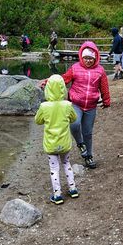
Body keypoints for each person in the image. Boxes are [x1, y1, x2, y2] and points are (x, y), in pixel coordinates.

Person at [61, 41, 111, 168]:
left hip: (91, 106)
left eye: (91, 58)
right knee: (74, 124)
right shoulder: (75, 68)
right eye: (86, 58)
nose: (88, 61)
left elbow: (104, 87)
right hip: (76, 103)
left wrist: (106, 100)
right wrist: (48, 82)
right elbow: (63, 80)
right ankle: (80, 144)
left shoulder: (100, 71)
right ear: (81, 57)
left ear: (95, 58)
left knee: (88, 132)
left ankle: (88, 156)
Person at [36, 75, 79, 204]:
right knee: (66, 164)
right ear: (62, 89)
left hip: (51, 144)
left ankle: (57, 195)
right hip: (64, 142)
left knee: (54, 169)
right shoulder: (67, 105)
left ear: (48, 89)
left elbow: (37, 121)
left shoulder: (44, 106)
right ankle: (73, 189)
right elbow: (74, 118)